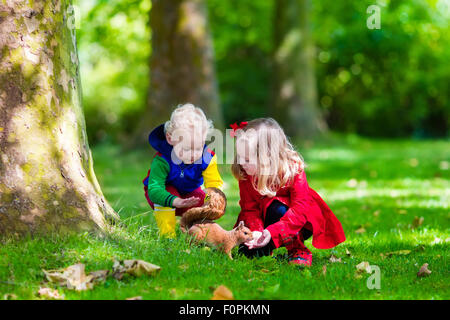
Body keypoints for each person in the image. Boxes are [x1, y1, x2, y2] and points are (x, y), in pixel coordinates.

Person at [231, 118, 346, 266]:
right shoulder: (245, 173)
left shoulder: (292, 169)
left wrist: (273, 232)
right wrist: (257, 232)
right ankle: (267, 246)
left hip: (297, 221)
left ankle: (297, 249)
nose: (241, 162)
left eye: (247, 158)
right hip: (263, 220)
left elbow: (300, 209)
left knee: (275, 207)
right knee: (248, 253)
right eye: (239, 156)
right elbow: (249, 208)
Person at [143, 104, 223, 238]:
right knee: (166, 194)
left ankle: (199, 236)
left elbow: (213, 183)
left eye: (198, 148)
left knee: (205, 202)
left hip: (189, 193)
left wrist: (213, 200)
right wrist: (175, 201)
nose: (193, 154)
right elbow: (155, 189)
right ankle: (167, 235)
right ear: (170, 139)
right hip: (164, 193)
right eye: (187, 148)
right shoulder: (162, 160)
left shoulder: (207, 157)